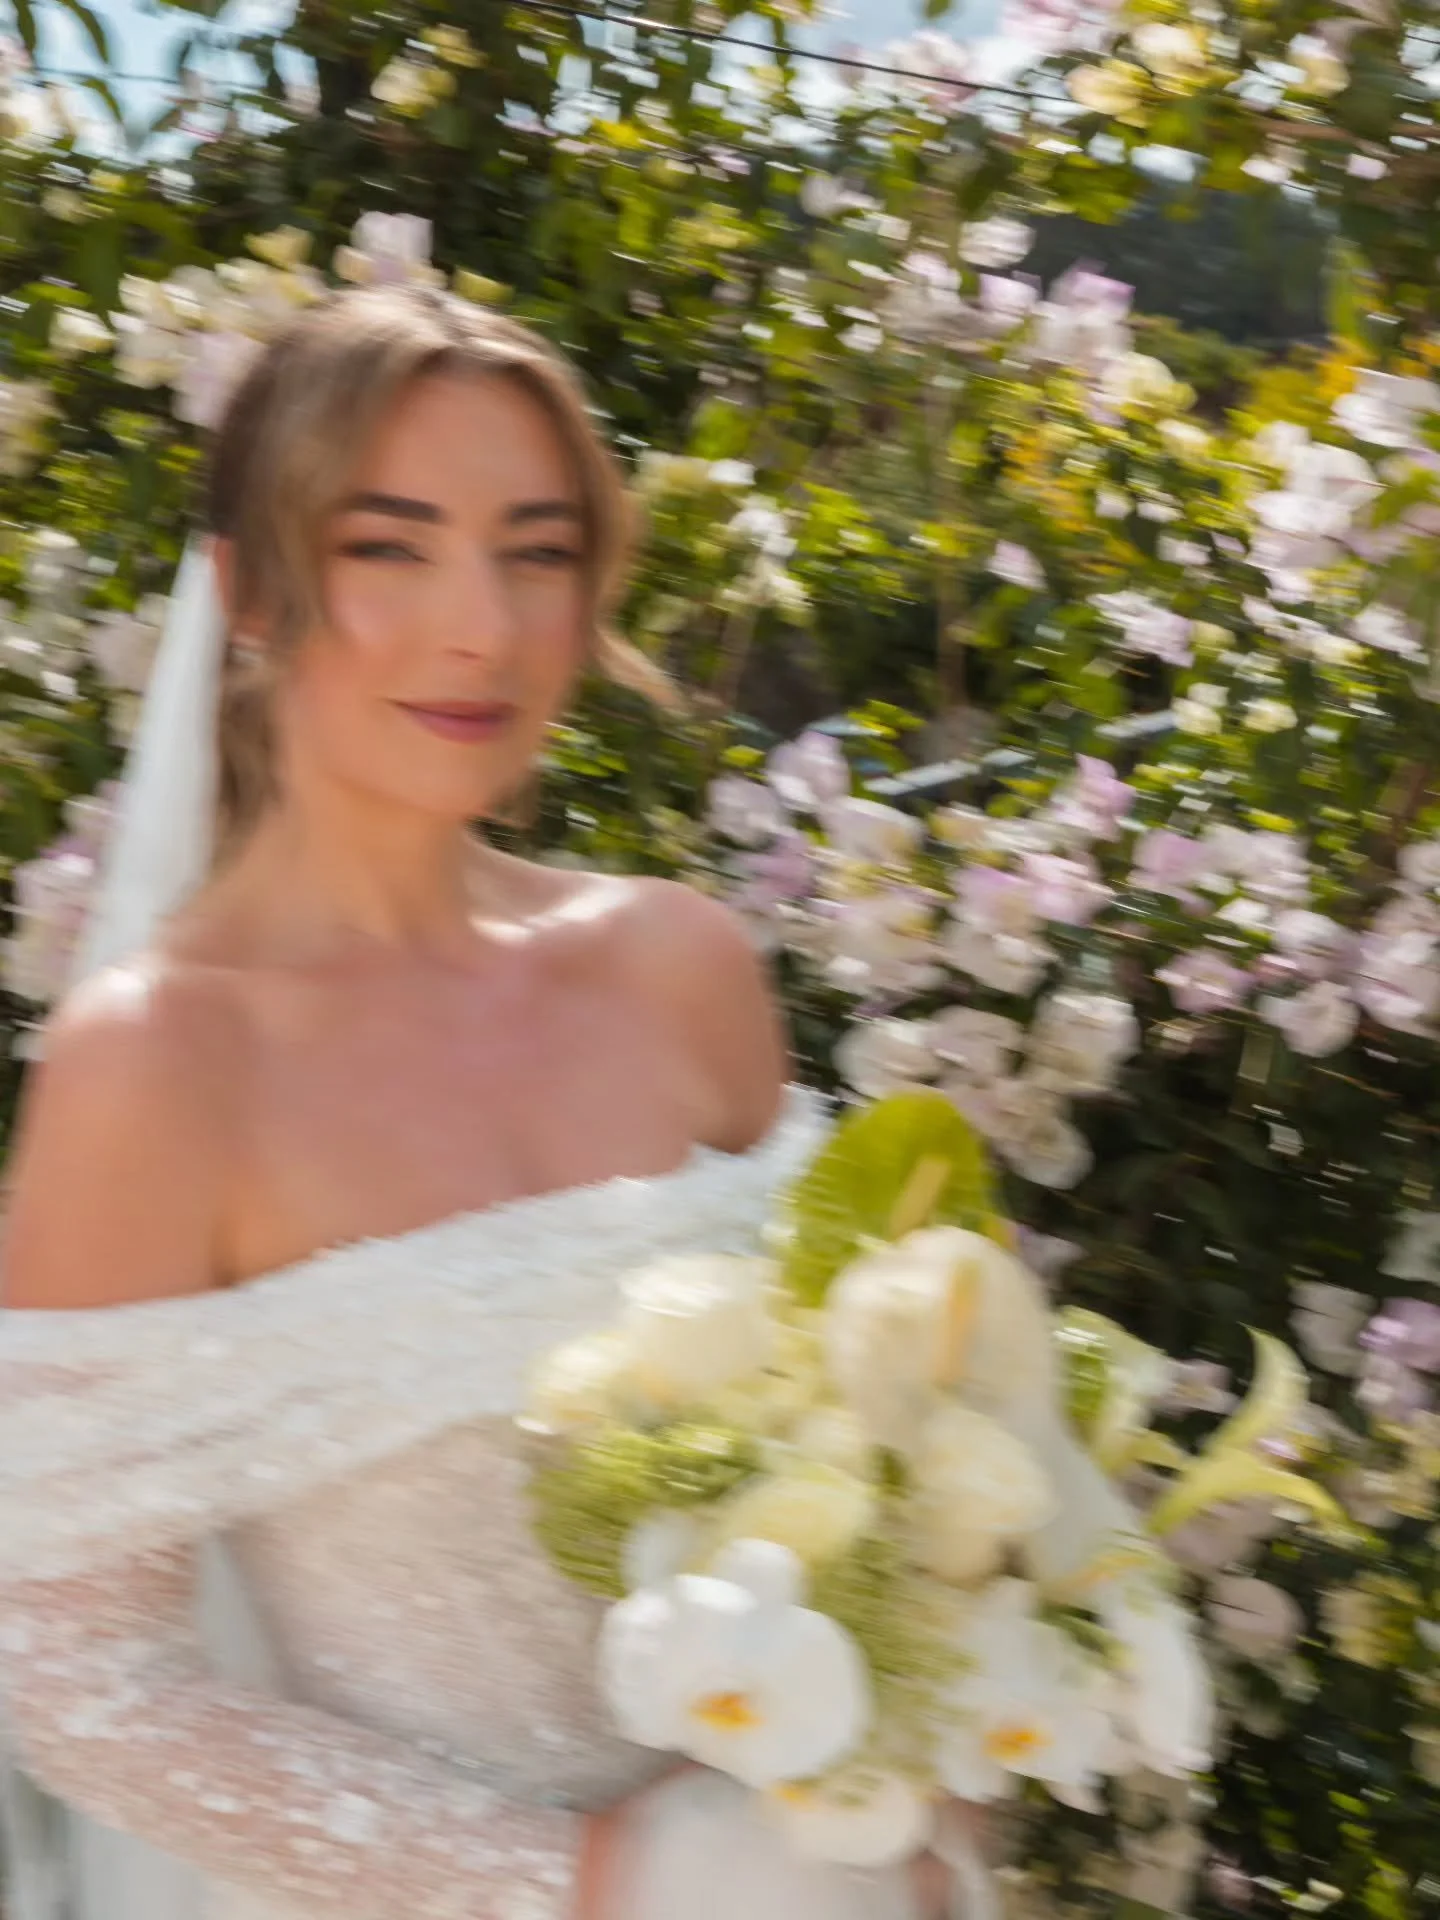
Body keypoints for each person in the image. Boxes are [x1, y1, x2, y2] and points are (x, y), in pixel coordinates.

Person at [0, 288, 939, 1919]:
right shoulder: (160, 1069)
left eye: (538, 549)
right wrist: (592, 1887)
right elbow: (75, 1672)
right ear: (251, 594)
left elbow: (884, 1462)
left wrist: (937, 1766)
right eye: (389, 545)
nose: (480, 629)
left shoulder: (682, 968)